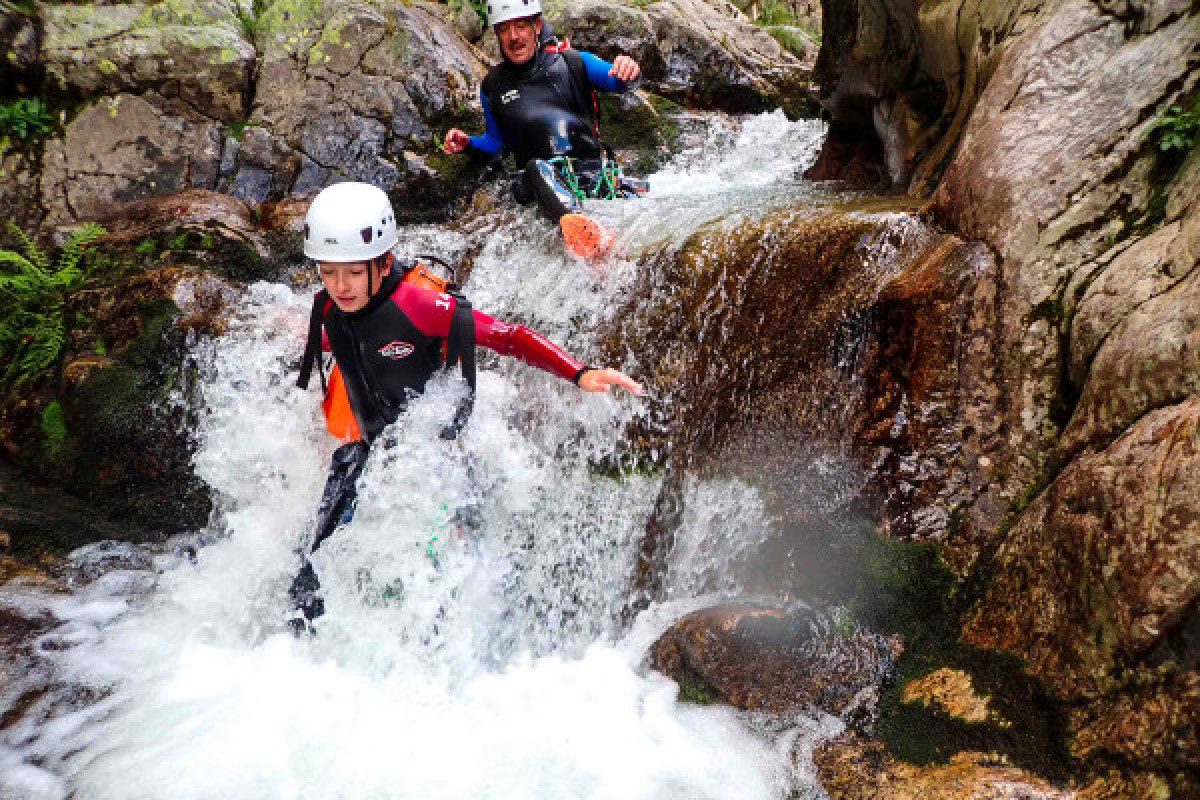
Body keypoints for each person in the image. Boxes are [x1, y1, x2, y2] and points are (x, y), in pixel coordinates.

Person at [287, 181, 642, 633]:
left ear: (382, 262)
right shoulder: (329, 306)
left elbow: (507, 336)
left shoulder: (418, 304)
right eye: (328, 272)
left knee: (437, 574)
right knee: (311, 574)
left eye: (353, 272)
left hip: (432, 452)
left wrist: (578, 372)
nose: (341, 286)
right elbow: (343, 340)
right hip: (370, 450)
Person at [442, 0, 649, 259]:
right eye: (505, 29)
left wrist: (630, 70)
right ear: (496, 34)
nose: (514, 37)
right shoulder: (493, 87)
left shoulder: (573, 63)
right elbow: (496, 143)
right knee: (536, 168)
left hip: (588, 175)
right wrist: (469, 144)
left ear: (536, 26)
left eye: (520, 26)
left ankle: (588, 228)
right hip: (536, 183)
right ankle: (582, 229)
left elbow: (621, 83)